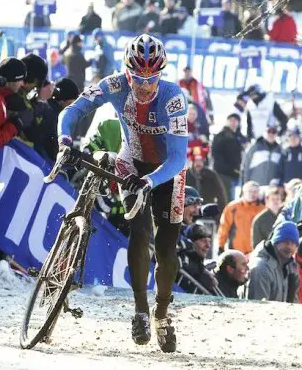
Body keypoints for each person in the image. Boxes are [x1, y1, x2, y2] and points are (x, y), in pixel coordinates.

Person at [57, 34, 188, 353]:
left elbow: (178, 157)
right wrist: (64, 140)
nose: (144, 86)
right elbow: (71, 113)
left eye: (152, 78)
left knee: (167, 250)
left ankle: (161, 313)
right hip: (130, 161)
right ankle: (141, 312)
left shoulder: (173, 98)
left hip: (166, 171)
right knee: (140, 235)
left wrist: (151, 182)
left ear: (161, 73)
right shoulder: (113, 86)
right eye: (138, 78)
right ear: (126, 73)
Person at [245, 221, 300, 302]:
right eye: (286, 242)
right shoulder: (261, 269)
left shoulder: (291, 267)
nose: (289, 247)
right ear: (276, 242)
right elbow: (257, 307)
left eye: (293, 243)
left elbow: (293, 303)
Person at [217, 181, 264, 255]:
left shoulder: (263, 209)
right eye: (250, 191)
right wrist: (220, 246)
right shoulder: (233, 207)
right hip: (236, 251)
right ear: (244, 192)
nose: (253, 194)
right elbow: (224, 227)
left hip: (256, 252)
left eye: (255, 191)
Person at [211, 113, 244, 201]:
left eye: (235, 120)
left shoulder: (239, 137)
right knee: (227, 199)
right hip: (224, 174)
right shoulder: (220, 136)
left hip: (237, 174)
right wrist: (228, 168)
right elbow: (216, 155)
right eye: (231, 120)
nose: (233, 123)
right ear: (226, 122)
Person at [177, 223, 216, 294]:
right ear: (190, 242)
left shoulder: (200, 265)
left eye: (209, 241)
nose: (208, 246)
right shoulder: (181, 260)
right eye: (203, 241)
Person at [186, 151, 227, 215]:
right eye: (196, 161)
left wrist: (221, 212)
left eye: (200, 161)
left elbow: (221, 194)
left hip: (207, 208)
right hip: (190, 209)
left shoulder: (211, 175)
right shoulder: (186, 175)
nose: (198, 163)